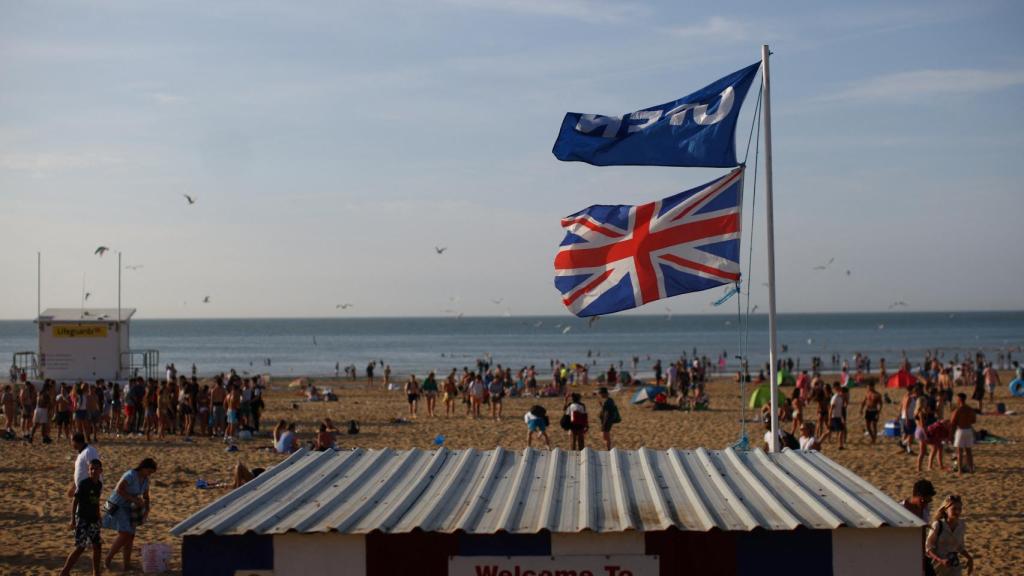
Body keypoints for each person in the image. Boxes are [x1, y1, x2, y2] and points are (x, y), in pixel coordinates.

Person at [102, 458, 157, 572]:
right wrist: (134, 499)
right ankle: (108, 558)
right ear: (143, 468)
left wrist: (147, 509)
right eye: (149, 471)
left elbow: (146, 496)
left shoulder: (146, 480)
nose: (150, 474)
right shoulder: (130, 475)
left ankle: (126, 565)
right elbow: (119, 490)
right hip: (116, 505)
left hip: (130, 508)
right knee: (125, 533)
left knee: (130, 536)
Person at [60, 458, 103, 576]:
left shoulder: (99, 485)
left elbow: (96, 501)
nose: (93, 471)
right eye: (91, 469)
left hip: (94, 519)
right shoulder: (84, 484)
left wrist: (99, 516)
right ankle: (65, 571)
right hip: (83, 519)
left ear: (101, 471)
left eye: (96, 469)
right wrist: (73, 519)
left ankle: (96, 572)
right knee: (80, 547)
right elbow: (75, 501)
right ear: (88, 471)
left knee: (97, 545)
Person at [925, 495, 974, 575]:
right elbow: (928, 548)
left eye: (959, 509)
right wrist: (941, 560)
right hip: (937, 567)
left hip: (954, 566)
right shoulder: (938, 525)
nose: (957, 512)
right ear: (946, 510)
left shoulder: (961, 525)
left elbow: (959, 547)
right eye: (954, 509)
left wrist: (969, 558)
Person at [949, 393, 977, 474]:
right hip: (968, 430)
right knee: (969, 451)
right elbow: (974, 420)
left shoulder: (958, 410)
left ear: (959, 400)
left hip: (960, 430)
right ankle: (971, 469)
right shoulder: (969, 409)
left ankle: (960, 470)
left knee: (959, 452)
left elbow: (953, 422)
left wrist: (951, 434)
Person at [68, 432, 101, 498]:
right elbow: (81, 471)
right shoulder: (82, 452)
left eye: (72, 441)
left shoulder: (89, 452)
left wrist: (94, 490)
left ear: (76, 442)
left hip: (89, 491)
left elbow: (96, 470)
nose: (71, 444)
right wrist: (74, 486)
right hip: (83, 490)